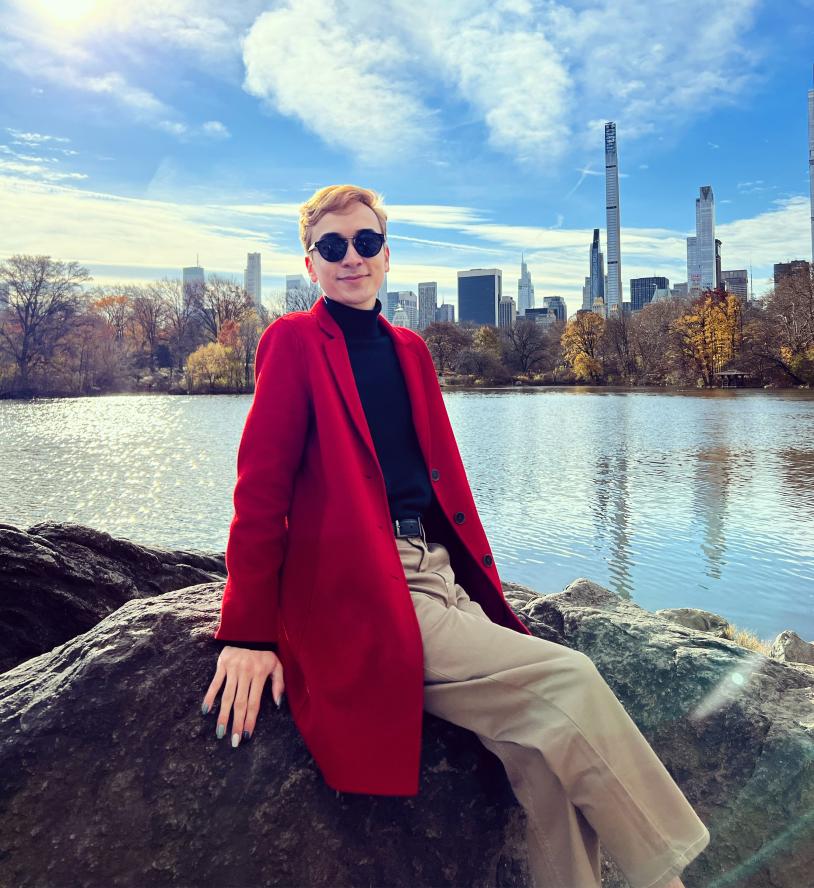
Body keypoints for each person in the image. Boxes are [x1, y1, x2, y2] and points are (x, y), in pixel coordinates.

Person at [201, 184, 710, 888]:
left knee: (537, 746)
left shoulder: (411, 350)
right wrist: (248, 632)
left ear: (388, 252)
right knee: (571, 678)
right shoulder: (292, 343)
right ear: (311, 261)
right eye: (333, 246)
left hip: (434, 572)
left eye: (367, 242)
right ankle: (668, 876)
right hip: (360, 589)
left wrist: (476, 586)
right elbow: (260, 492)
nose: (353, 258)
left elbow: (440, 485)